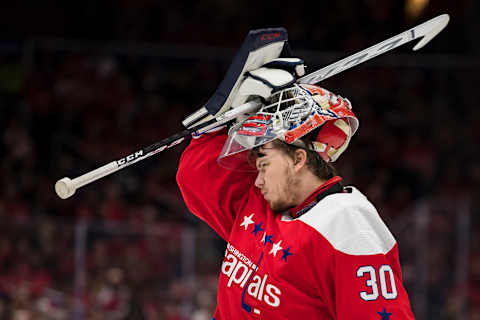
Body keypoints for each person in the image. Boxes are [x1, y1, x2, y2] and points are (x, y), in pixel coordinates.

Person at [176, 60, 415, 319]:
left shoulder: (347, 225)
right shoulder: (262, 202)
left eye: (264, 162)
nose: (257, 178)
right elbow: (195, 176)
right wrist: (231, 111)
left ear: (298, 159)